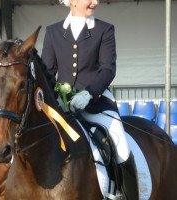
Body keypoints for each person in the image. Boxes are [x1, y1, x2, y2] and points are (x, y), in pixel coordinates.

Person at [41, 0, 138, 199]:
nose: (95, 2)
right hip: (61, 107)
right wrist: (52, 98)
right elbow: (48, 72)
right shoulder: (53, 32)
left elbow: (107, 69)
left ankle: (124, 194)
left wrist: (89, 93)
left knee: (121, 146)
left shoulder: (104, 29)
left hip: (97, 101)